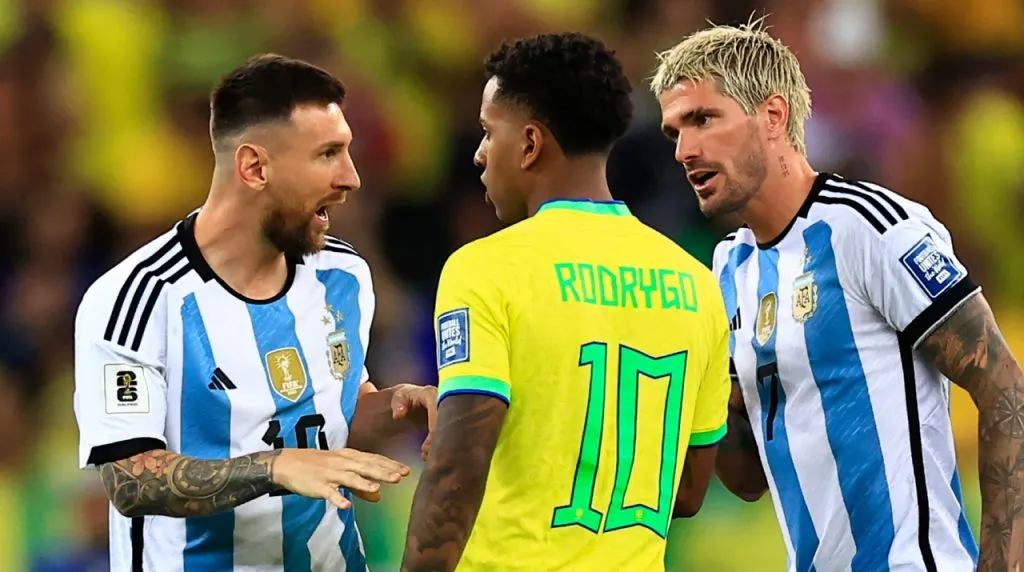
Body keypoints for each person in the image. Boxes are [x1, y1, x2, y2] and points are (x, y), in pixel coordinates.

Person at [652, 21, 1024, 572]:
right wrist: (714, 392)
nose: (685, 150)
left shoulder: (868, 227)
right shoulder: (729, 267)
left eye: (704, 119)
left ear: (773, 116)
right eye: (674, 132)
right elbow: (749, 481)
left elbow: (1003, 388)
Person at [73, 54, 437, 572]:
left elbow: (334, 419)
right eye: (328, 154)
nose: (351, 177)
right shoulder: (137, 299)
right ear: (254, 167)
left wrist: (400, 407)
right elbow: (131, 479)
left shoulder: (344, 275)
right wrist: (276, 468)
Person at [401, 32, 731, 572]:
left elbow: (458, 467)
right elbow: (689, 491)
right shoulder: (696, 283)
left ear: (530, 144)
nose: (480, 154)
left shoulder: (486, 268)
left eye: (489, 132)